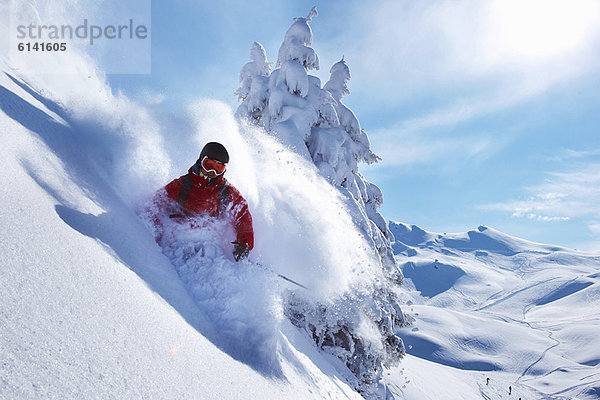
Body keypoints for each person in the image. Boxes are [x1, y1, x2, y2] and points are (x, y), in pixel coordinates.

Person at [153, 142, 254, 261]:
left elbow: (242, 216)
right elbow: (156, 202)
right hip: (177, 244)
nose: (212, 172)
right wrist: (156, 232)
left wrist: (244, 244)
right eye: (209, 165)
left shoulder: (226, 192)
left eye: (218, 168)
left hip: (209, 247)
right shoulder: (182, 185)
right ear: (201, 161)